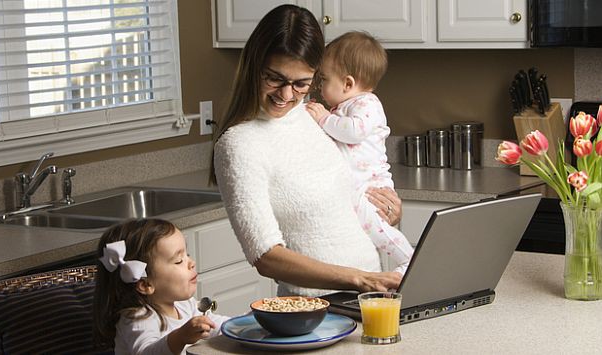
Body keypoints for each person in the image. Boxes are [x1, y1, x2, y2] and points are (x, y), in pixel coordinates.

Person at [211, 4, 404, 298]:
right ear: (253, 65)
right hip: (312, 311)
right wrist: (358, 279)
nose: (287, 95)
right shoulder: (239, 144)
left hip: (369, 298)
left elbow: (342, 202)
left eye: (301, 83)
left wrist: (386, 212)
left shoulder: (311, 116)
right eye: (274, 78)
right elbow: (265, 256)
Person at [305, 31, 413, 275]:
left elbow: (354, 131)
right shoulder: (342, 107)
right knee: (368, 230)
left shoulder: (367, 103)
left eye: (324, 79)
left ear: (348, 84)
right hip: (355, 189)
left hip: (371, 187)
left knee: (377, 229)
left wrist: (323, 118)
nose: (319, 86)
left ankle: (409, 261)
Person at [93, 219, 229, 355]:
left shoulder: (184, 304)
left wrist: (243, 323)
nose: (191, 263)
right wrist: (180, 337)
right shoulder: (137, 318)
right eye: (179, 261)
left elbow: (214, 325)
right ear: (146, 285)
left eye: (187, 255)